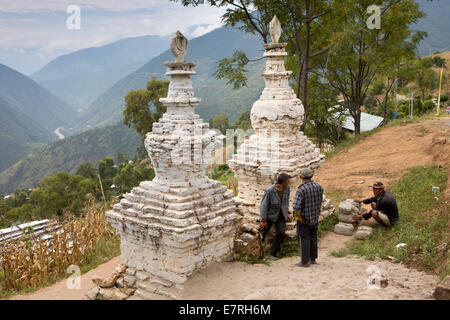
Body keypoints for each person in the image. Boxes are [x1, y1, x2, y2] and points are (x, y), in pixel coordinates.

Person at [293, 168, 323, 267]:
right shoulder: (319, 187)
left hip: (304, 219)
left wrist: (297, 218)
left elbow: (296, 207)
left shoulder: (301, 190)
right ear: (311, 176)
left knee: (304, 239)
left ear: (301, 177)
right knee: (313, 237)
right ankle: (313, 259)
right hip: (315, 217)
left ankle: (304, 262)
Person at [259, 173, 293, 259]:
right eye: (288, 182)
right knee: (262, 233)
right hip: (270, 216)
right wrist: (263, 220)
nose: (289, 183)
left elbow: (286, 202)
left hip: (281, 215)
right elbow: (264, 205)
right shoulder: (270, 191)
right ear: (283, 183)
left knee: (281, 233)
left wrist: (288, 212)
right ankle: (258, 252)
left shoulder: (287, 189)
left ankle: (272, 253)